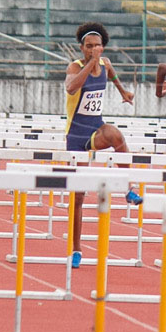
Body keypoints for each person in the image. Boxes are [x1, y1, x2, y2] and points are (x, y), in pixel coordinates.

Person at [63, 22, 143, 268]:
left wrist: (123, 92)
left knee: (116, 135)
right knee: (78, 197)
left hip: (96, 129)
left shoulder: (106, 64)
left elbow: (112, 74)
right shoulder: (75, 67)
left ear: (103, 46)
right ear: (82, 48)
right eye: (89, 46)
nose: (94, 49)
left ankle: (128, 188)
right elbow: (70, 86)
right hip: (76, 136)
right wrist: (90, 63)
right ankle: (76, 249)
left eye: (98, 46)